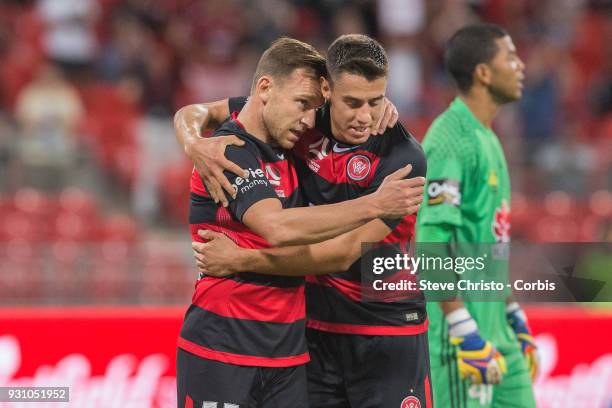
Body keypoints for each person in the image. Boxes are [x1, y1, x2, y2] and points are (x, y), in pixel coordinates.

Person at [175, 34, 432, 407]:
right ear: (328, 91)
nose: (365, 116)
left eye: (375, 102)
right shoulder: (299, 120)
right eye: (353, 102)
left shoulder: (403, 157)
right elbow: (201, 111)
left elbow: (343, 253)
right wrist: (192, 142)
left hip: (385, 331)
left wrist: (242, 259)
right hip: (313, 334)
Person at [415, 24, 538, 407]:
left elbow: (488, 243)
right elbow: (429, 245)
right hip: (463, 342)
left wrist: (512, 310)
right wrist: (461, 327)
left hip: (498, 333)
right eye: (511, 57)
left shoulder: (488, 137)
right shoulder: (450, 139)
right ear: (483, 73)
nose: (520, 66)